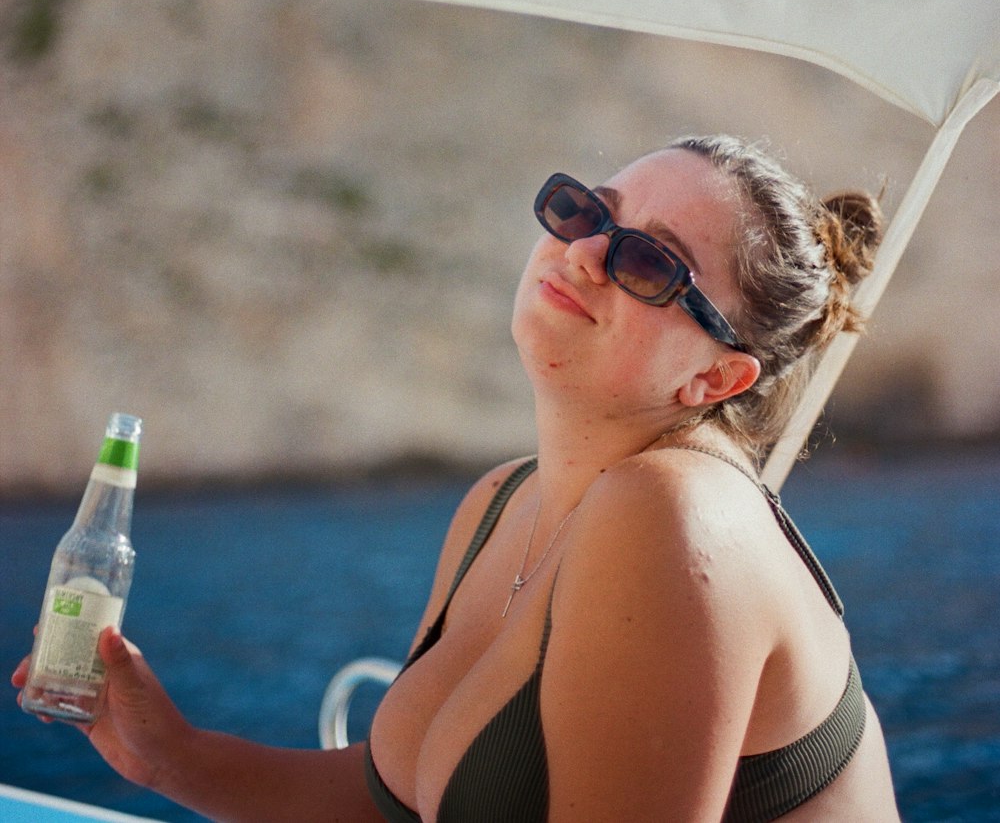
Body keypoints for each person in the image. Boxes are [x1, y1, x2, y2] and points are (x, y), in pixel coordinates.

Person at [15, 134, 901, 821]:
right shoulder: (504, 501)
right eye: (587, 213)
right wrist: (172, 755)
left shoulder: (676, 515)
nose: (587, 252)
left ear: (714, 379)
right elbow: (389, 801)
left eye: (649, 264)